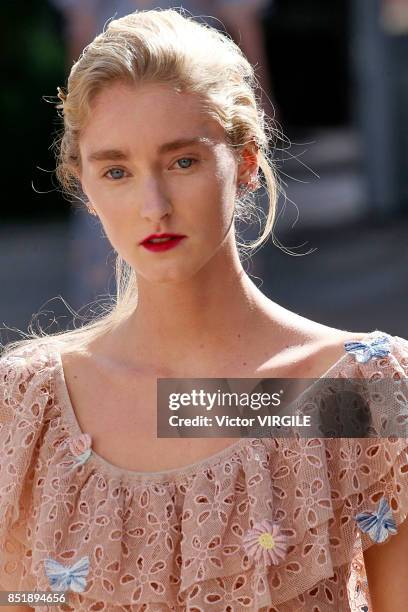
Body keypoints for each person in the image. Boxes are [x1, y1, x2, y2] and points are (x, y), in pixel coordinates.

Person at [0, 8, 407, 611]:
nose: (153, 204)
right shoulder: (26, 404)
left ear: (245, 161)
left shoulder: (361, 388)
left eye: (182, 161)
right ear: (85, 185)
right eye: (116, 170)